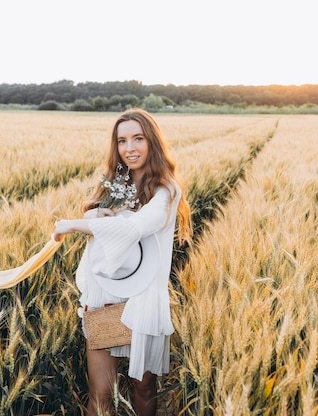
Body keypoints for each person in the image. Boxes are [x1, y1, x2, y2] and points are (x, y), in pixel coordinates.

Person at [53, 108, 192, 415]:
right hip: (106, 294)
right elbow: (96, 249)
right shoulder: (114, 186)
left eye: (138, 138)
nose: (129, 148)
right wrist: (90, 292)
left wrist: (74, 223)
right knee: (100, 394)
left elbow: (134, 228)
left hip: (142, 299)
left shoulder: (166, 190)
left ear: (152, 142)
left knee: (143, 387)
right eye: (122, 140)